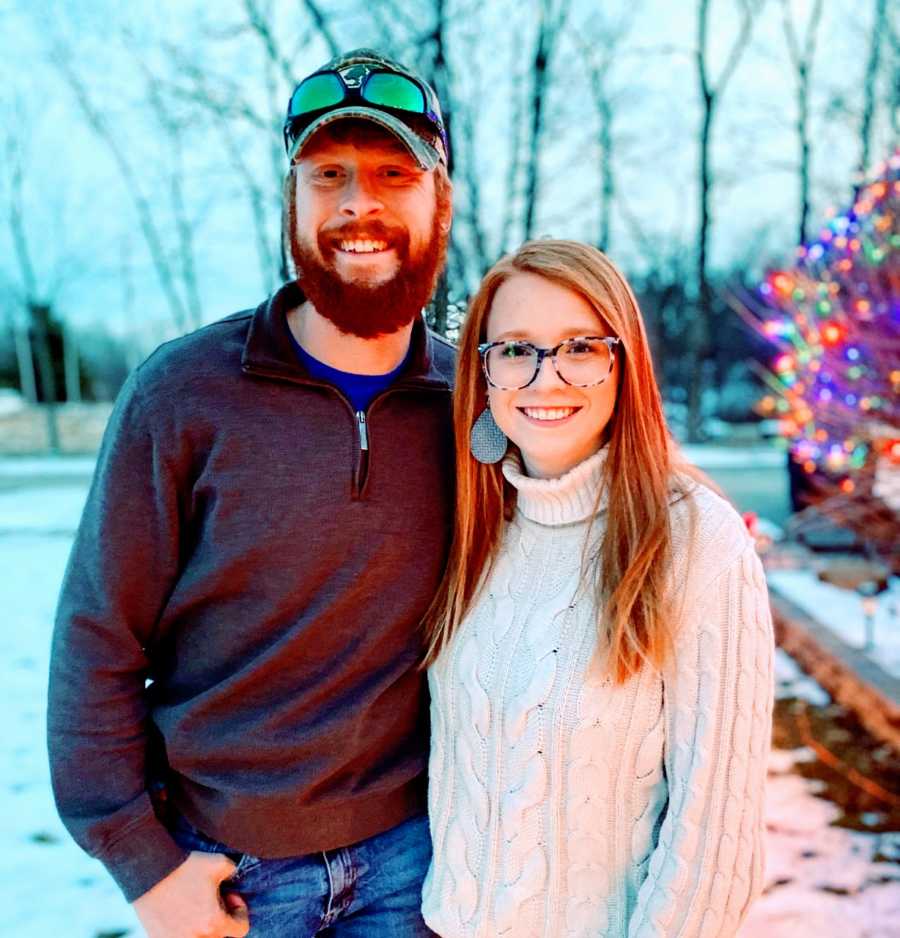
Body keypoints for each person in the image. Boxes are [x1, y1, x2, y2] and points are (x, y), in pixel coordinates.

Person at [47, 48, 454, 938]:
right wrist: (144, 866)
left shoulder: (474, 404)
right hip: (229, 872)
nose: (359, 203)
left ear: (439, 202)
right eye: (328, 175)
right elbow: (96, 639)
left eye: (394, 173)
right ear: (292, 203)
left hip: (417, 862)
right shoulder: (182, 391)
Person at [420, 240, 774, 938]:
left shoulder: (694, 539)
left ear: (625, 364)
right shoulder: (477, 524)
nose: (545, 379)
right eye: (516, 350)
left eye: (581, 346)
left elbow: (714, 851)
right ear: (483, 374)